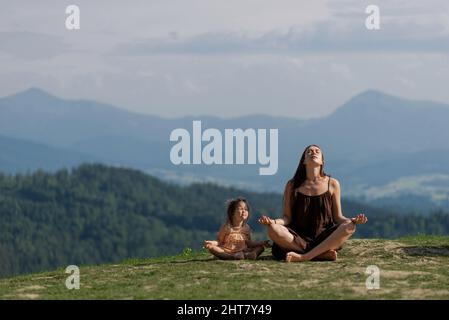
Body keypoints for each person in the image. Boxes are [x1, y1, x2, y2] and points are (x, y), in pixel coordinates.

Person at [259, 144, 368, 262]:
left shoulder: (332, 183)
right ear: (304, 161)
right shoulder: (292, 185)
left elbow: (338, 217)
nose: (313, 153)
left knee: (350, 226)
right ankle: (319, 254)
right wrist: (273, 222)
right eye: (309, 152)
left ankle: (305, 256)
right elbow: (287, 218)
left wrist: (352, 220)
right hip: (297, 238)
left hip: (325, 237)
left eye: (317, 151)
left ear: (322, 161)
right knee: (272, 229)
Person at [204, 197, 271, 260]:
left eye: (246, 209)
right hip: (227, 251)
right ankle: (232, 257)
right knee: (212, 248)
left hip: (243, 251)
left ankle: (251, 254)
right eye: (241, 209)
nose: (244, 211)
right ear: (232, 212)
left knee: (260, 248)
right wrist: (212, 243)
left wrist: (261, 243)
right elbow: (219, 241)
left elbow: (249, 243)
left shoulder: (246, 228)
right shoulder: (226, 227)